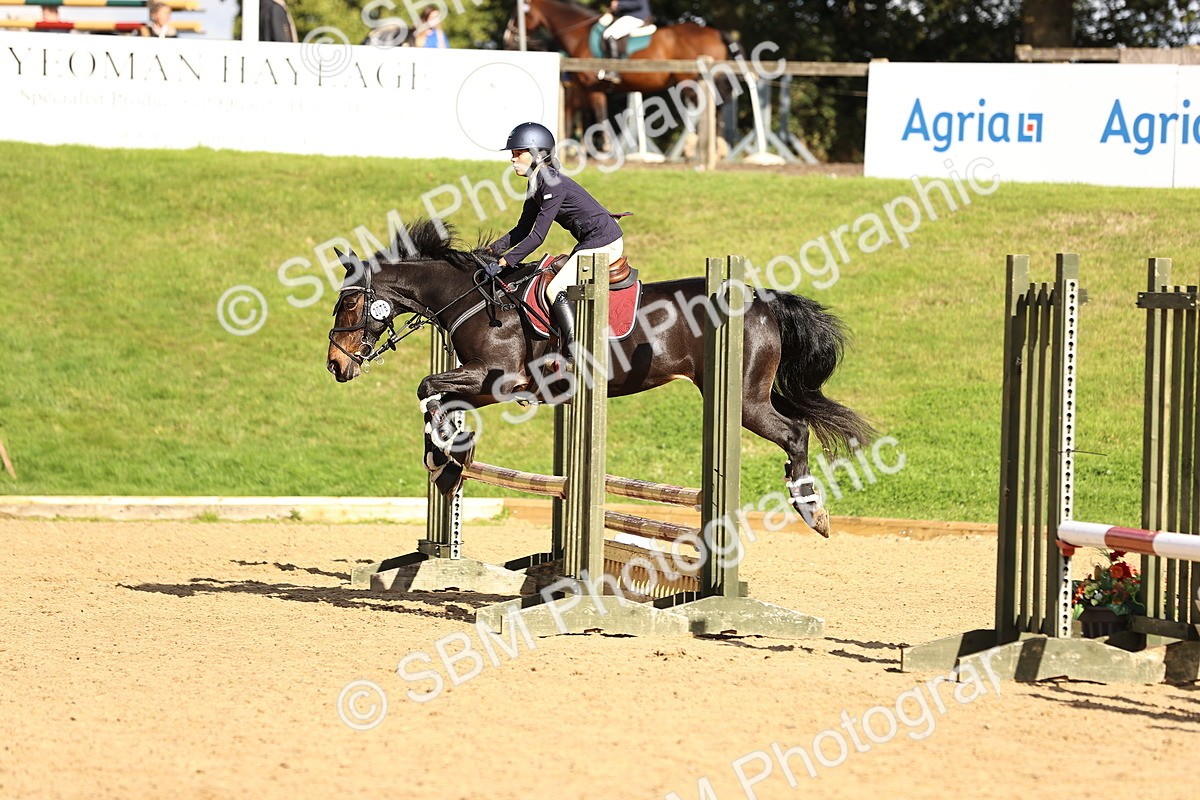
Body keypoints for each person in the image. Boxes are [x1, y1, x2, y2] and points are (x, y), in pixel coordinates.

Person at [485, 122, 623, 367]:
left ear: (537, 154)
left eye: (518, 153)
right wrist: (492, 251)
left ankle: (574, 352)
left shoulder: (552, 183)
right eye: (512, 154)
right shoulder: (536, 182)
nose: (512, 159)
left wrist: (507, 261)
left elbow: (538, 237)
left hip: (604, 242)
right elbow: (522, 229)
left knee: (554, 288)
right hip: (590, 242)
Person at [599, 0, 651, 83]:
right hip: (632, 16)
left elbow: (638, 4)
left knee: (608, 34)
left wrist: (619, 4)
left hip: (636, 16)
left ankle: (613, 70)